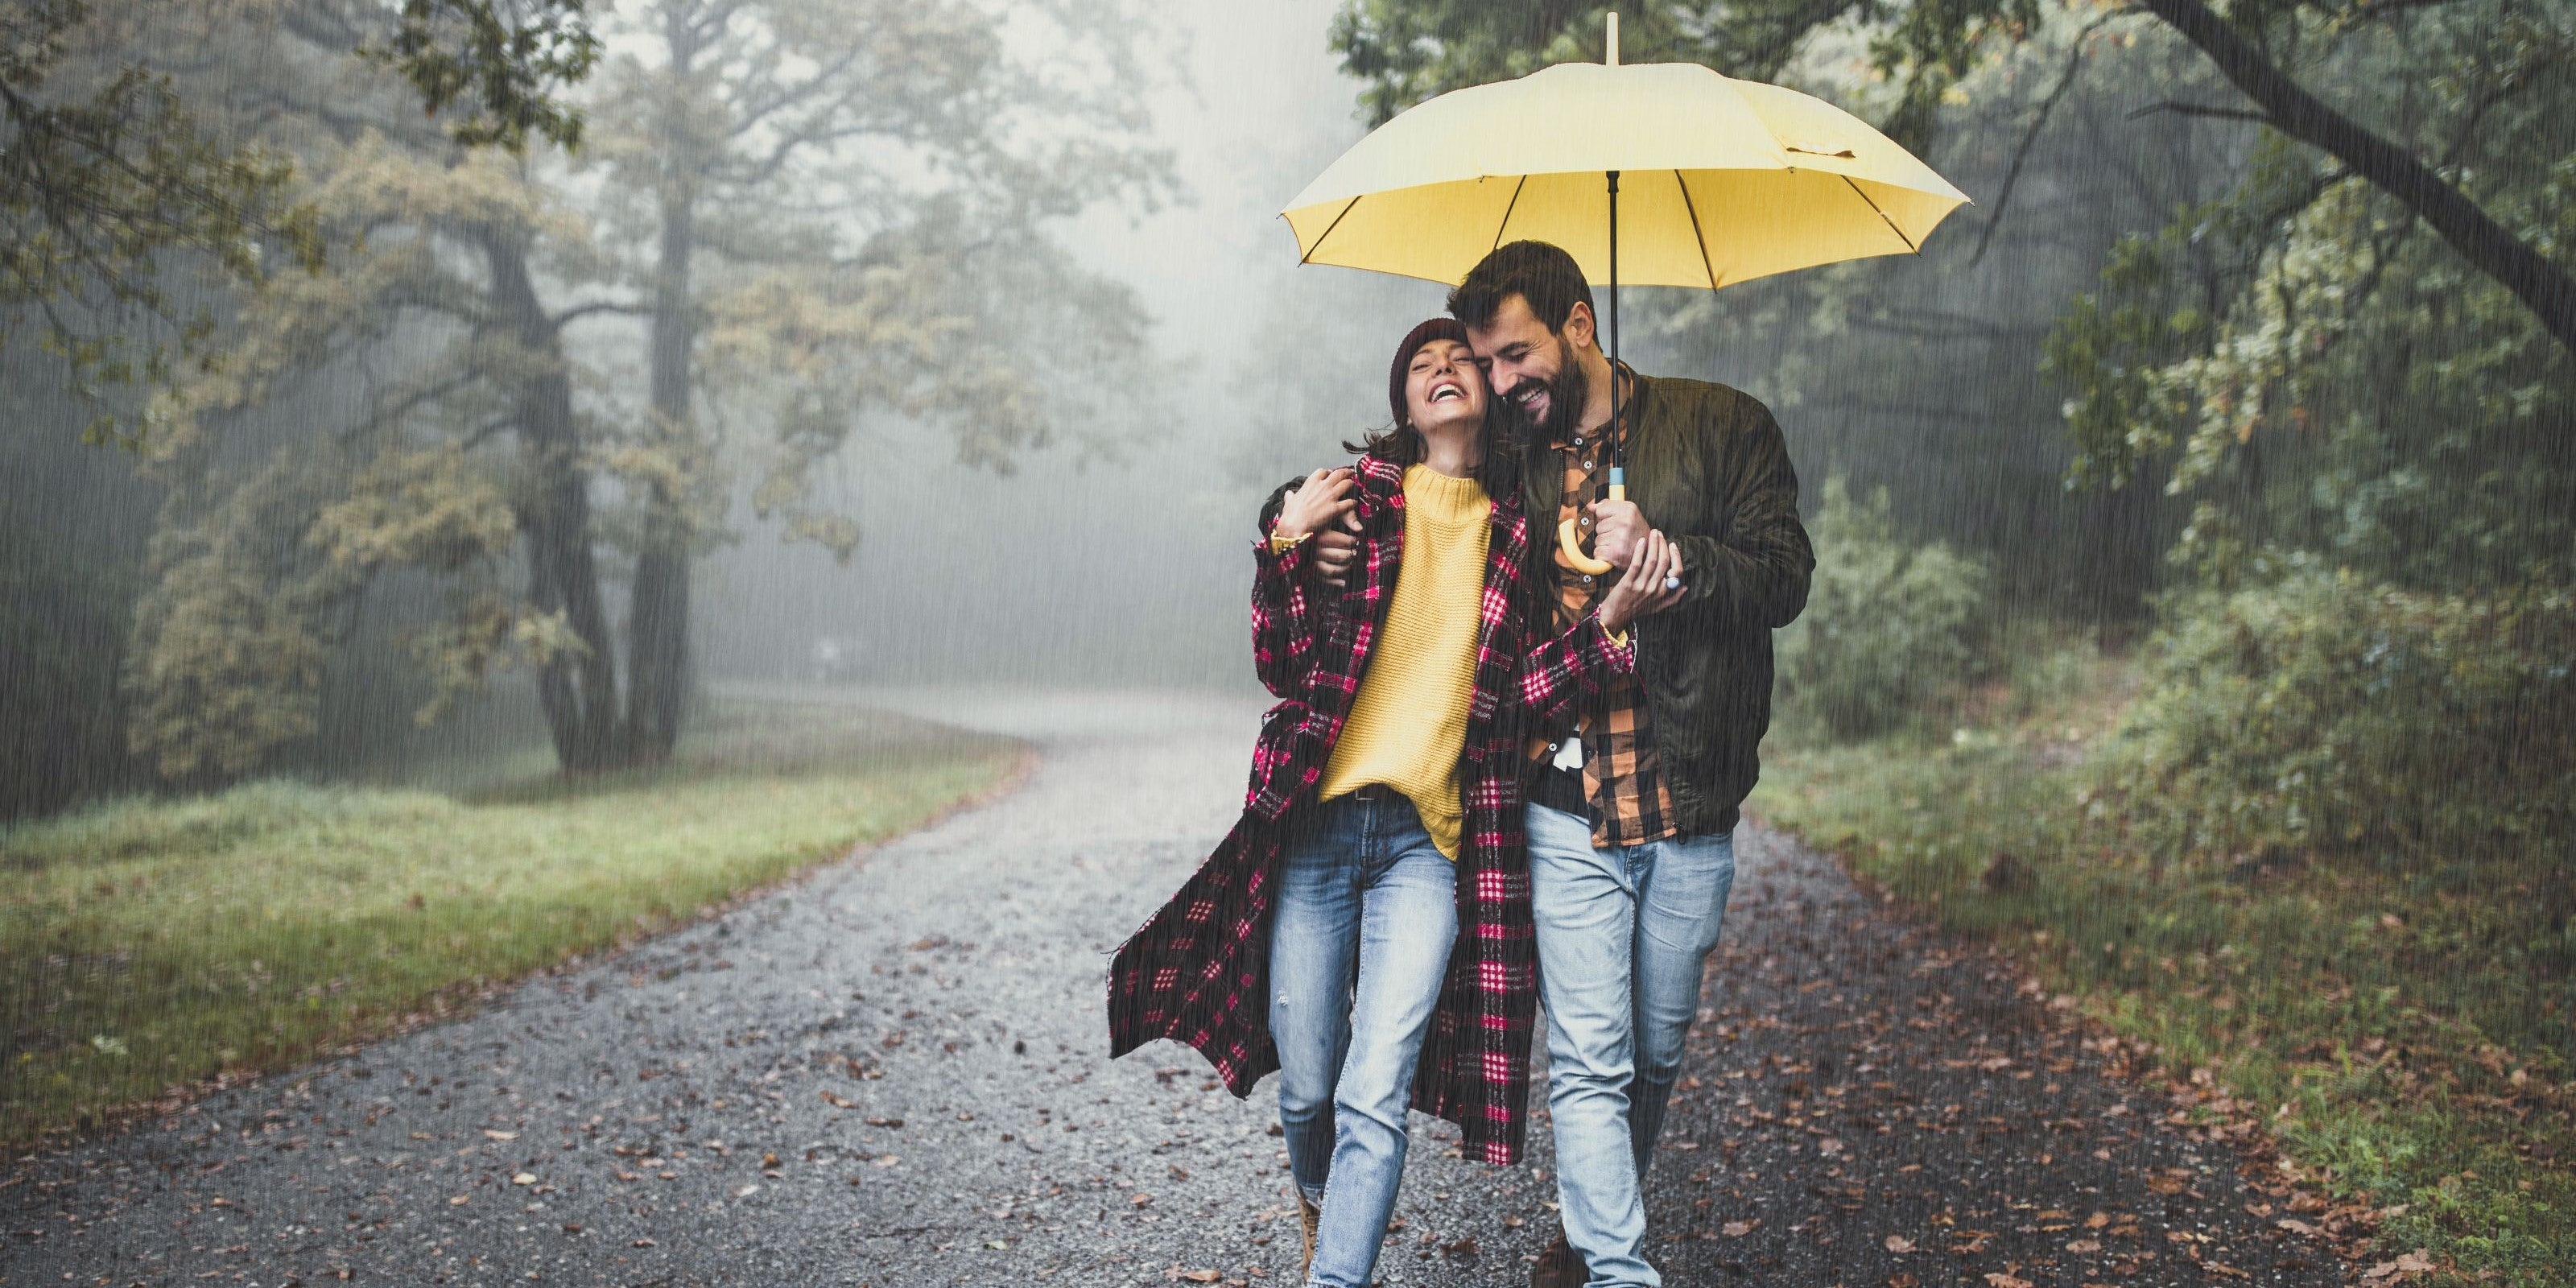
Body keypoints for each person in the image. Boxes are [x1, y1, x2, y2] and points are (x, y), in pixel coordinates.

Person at [1108, 317, 1687, 1288]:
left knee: (1372, 1090)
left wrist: (1609, 624)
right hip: (1318, 829)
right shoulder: (1359, 503)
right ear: (1402, 405)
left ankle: (1334, 1278)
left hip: (1426, 846)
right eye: (1420, 365)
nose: (1441, 369)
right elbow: (1283, 662)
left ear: (1485, 392)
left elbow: (1514, 701)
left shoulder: (1516, 528)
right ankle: (1315, 1203)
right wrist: (1286, 542)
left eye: (1457, 358)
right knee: (1308, 1090)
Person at [1303, 243, 1815, 1288]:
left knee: (1656, 1054)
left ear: (1579, 325)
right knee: (1588, 1063)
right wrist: (1306, 538)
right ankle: (1623, 1272)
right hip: (1562, 803)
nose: (1500, 383)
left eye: (1515, 355)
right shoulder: (1512, 464)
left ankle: (1588, 1242)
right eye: (1486, 364)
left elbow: (1784, 577)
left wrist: (1671, 555)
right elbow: (1403, 501)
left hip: (1692, 796)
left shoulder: (1725, 425)